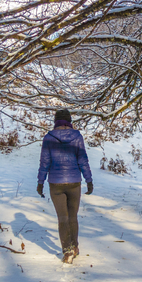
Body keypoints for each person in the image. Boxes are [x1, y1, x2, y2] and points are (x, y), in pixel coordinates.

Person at [37, 109, 93, 263]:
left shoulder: (49, 138)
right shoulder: (77, 137)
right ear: (69, 121)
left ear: (56, 121)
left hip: (56, 184)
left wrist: (40, 182)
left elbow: (44, 162)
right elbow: (83, 160)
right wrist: (89, 179)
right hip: (74, 182)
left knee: (63, 218)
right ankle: (74, 247)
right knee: (73, 217)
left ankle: (67, 251)